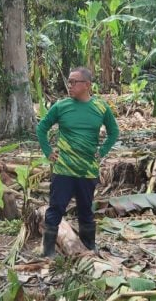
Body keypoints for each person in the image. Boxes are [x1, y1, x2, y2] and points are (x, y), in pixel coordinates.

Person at [35, 67, 119, 257]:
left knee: (86, 210)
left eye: (74, 82)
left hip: (87, 170)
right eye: (69, 82)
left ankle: (89, 246)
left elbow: (114, 132)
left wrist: (102, 151)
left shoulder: (101, 108)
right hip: (63, 169)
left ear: (87, 85)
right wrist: (48, 152)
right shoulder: (61, 106)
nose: (69, 86)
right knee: (55, 208)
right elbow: (42, 128)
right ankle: (48, 250)